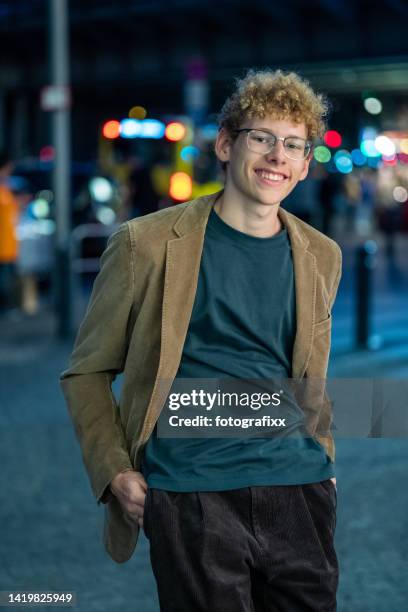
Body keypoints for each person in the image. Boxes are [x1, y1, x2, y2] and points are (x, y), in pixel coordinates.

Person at [60, 68, 342, 611]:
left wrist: (324, 469)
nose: (275, 155)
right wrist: (114, 471)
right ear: (225, 144)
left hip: (300, 491)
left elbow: (311, 378)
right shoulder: (145, 244)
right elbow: (87, 371)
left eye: (292, 145)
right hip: (193, 494)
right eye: (260, 137)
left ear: (306, 164)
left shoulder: (321, 254)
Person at [0, 152, 20, 315]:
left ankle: (7, 308)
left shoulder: (6, 188)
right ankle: (4, 309)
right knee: (4, 282)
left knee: (7, 280)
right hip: (2, 244)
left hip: (9, 243)